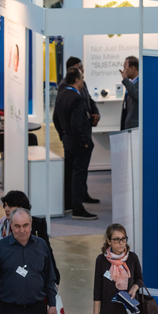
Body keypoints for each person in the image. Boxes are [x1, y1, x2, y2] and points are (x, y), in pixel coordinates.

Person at [53, 69, 98, 220]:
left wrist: (63, 136)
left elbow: (55, 119)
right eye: (82, 78)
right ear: (77, 80)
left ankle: (68, 204)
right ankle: (78, 209)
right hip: (78, 144)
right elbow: (77, 124)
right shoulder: (77, 99)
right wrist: (84, 142)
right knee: (79, 174)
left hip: (68, 142)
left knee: (69, 173)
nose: (83, 80)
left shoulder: (61, 95)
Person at [0, 190, 60, 283]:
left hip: (33, 273)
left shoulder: (38, 224)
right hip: (8, 275)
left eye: (10, 206)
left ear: (21, 208)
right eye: (5, 205)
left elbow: (47, 252)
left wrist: (55, 278)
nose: (6, 209)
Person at [60, 57, 101, 204]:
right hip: (75, 138)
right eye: (80, 67)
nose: (82, 69)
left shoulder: (82, 84)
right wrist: (66, 135)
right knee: (75, 170)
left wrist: (96, 113)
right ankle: (74, 202)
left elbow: (89, 100)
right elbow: (63, 116)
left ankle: (82, 195)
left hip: (81, 134)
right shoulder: (65, 87)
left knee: (80, 171)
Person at [119, 56, 139, 131]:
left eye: (125, 68)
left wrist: (126, 80)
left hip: (135, 127)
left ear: (133, 68)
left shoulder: (141, 82)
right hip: (128, 126)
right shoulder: (132, 83)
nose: (123, 71)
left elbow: (137, 96)